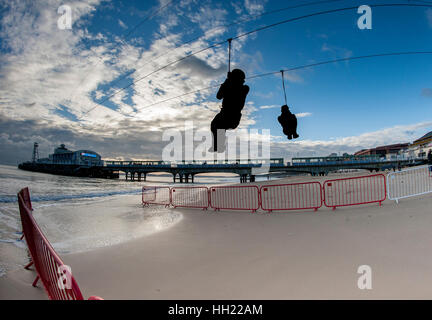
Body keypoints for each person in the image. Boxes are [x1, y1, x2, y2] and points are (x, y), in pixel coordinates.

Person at [209, 69, 249, 152]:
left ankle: (219, 145)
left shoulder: (244, 88)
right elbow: (219, 96)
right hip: (225, 113)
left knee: (218, 126)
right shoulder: (229, 85)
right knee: (215, 125)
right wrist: (227, 81)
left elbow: (236, 90)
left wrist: (228, 81)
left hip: (233, 116)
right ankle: (218, 145)